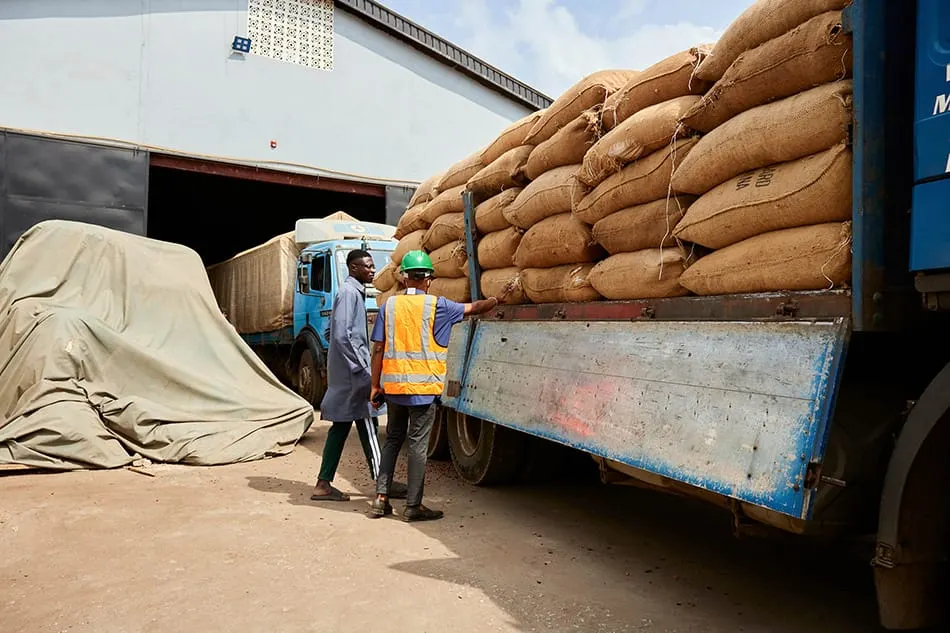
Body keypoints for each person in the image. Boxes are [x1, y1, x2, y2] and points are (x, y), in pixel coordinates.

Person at [368, 250, 504, 521]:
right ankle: (412, 506)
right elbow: (474, 308)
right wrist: (495, 300)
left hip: (394, 388)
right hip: (424, 391)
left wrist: (375, 386)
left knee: (393, 440)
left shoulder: (389, 306)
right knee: (418, 445)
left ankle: (380, 499)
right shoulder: (438, 306)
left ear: (404, 278)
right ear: (428, 279)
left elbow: (378, 349)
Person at [311, 249, 407, 502]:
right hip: (354, 376)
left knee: (341, 427)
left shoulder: (351, 292)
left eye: (373, 265)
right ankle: (382, 484)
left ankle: (323, 484)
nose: (373, 270)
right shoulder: (349, 293)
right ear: (353, 268)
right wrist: (361, 369)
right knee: (368, 424)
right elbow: (342, 335)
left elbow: (332, 331)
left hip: (346, 374)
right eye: (367, 266)